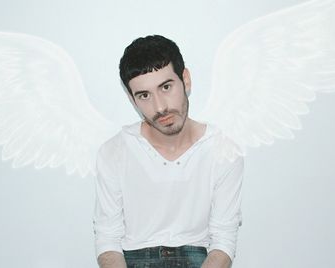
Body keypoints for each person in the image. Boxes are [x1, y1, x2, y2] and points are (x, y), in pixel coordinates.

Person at [93, 35, 244, 268]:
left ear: (186, 79)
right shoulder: (115, 152)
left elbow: (223, 241)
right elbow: (108, 240)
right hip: (133, 259)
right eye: (144, 95)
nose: (160, 107)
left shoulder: (223, 151)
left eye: (166, 87)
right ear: (132, 99)